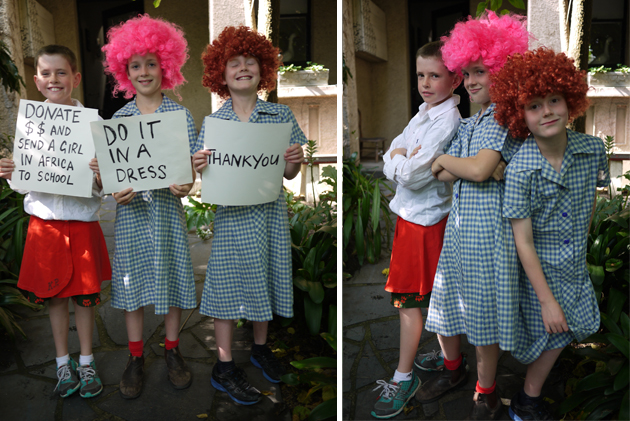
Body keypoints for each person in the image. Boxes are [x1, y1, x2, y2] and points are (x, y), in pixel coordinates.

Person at [415, 11, 531, 420]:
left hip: (491, 237)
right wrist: (458, 162)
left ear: (502, 68)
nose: (471, 81)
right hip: (460, 231)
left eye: (480, 71)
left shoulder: (504, 117)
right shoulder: (470, 122)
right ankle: (452, 368)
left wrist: (457, 161)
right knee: (445, 305)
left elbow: (475, 170)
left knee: (483, 318)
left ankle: (486, 390)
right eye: (466, 73)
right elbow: (441, 173)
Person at [491, 47, 608, 421]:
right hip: (539, 270)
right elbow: (522, 240)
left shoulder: (592, 151)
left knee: (566, 330)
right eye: (535, 106)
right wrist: (545, 299)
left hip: (573, 264)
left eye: (554, 100)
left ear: (569, 99)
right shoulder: (521, 169)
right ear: (519, 114)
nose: (548, 112)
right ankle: (528, 399)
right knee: (552, 331)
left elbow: (589, 202)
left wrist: (581, 249)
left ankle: (529, 397)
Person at [192, 26, 306, 405]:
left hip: (268, 216)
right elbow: (203, 174)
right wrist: (198, 164)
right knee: (224, 287)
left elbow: (288, 174)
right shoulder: (213, 124)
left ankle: (259, 348)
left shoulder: (280, 115)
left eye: (251, 61)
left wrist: (295, 162)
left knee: (265, 277)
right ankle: (223, 365)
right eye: (234, 63)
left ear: (264, 68)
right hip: (231, 220)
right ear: (220, 75)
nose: (243, 68)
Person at [0, 45, 110, 399]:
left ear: (76, 78)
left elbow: (107, 185)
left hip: (81, 223)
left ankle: (87, 360)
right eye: (46, 74)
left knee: (85, 299)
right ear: (36, 81)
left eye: (61, 72)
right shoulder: (30, 123)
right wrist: (8, 172)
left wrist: (100, 174)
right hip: (45, 225)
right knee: (55, 299)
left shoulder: (96, 125)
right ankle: (63, 363)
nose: (53, 80)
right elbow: (23, 180)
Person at [98, 14, 199, 399]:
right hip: (132, 218)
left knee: (172, 282)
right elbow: (112, 180)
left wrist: (185, 186)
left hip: (168, 216)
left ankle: (173, 350)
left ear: (166, 66)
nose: (144, 72)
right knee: (131, 286)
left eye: (151, 63)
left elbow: (189, 177)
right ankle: (135, 356)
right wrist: (114, 191)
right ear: (124, 71)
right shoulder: (118, 120)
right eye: (135, 65)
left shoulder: (181, 117)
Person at [370, 40, 462, 419]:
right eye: (421, 74)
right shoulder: (425, 111)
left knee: (409, 302)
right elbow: (397, 146)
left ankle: (403, 376)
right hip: (413, 219)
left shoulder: (447, 121)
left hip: (424, 224)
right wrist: (397, 154)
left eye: (435, 75)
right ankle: (450, 361)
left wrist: (394, 160)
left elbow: (411, 175)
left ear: (454, 80)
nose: (425, 82)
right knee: (435, 299)